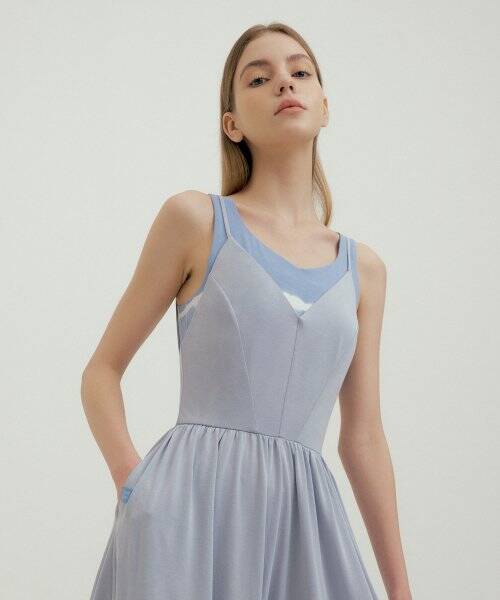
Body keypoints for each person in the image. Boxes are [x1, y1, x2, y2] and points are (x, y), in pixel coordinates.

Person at [82, 21, 412, 600]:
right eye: (259, 78)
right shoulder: (195, 221)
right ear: (231, 123)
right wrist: (134, 485)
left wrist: (401, 590)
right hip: (188, 513)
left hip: (303, 525)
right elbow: (101, 372)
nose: (284, 82)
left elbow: (363, 438)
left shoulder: (364, 270)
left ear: (325, 107)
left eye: (300, 71)